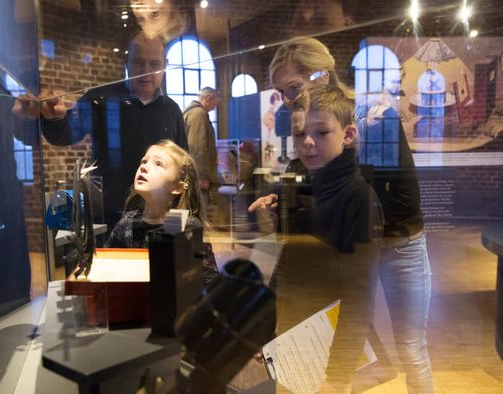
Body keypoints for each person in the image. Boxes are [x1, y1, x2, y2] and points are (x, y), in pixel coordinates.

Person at [250, 37, 434, 393]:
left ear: (322, 74)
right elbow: (303, 183)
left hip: (396, 245)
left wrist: (346, 200)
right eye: (281, 92)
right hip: (344, 249)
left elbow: (405, 203)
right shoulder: (310, 131)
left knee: (410, 348)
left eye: (293, 87)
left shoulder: (376, 118)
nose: (288, 100)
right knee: (336, 342)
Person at [13, 31, 188, 232]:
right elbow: (65, 135)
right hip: (110, 211)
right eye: (139, 62)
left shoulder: (172, 109)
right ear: (126, 61)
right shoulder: (101, 98)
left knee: (161, 263)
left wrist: (179, 221)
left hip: (159, 214)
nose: (146, 71)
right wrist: (54, 117)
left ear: (165, 64)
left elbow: (183, 166)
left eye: (154, 64)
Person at [269, 85, 383, 392]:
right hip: (294, 332)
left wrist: (338, 374)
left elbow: (359, 295)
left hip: (328, 344)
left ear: (347, 135)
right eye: (300, 134)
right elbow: (289, 263)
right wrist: (265, 329)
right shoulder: (304, 184)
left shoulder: (359, 197)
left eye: (321, 133)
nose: (307, 142)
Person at [105, 140, 218, 286]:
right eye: (143, 161)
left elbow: (210, 282)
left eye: (158, 164)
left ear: (177, 186)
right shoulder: (127, 223)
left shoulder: (181, 224)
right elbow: (106, 265)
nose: (144, 167)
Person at [183, 87, 219, 204]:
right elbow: (197, 147)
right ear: (209, 99)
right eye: (215, 103)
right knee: (198, 211)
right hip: (196, 176)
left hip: (192, 173)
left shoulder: (193, 111)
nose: (214, 108)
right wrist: (201, 176)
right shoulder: (199, 114)